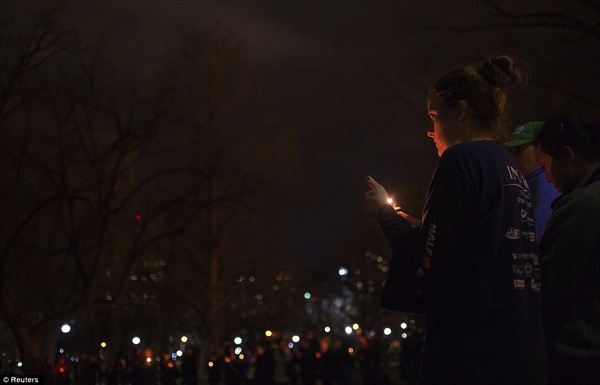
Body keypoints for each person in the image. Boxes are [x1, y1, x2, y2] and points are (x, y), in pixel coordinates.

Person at [364, 55, 547, 384]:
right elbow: (478, 241)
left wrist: (386, 215)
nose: (430, 130)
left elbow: (431, 261)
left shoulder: (459, 160)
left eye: (435, 116)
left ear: (460, 111)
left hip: (473, 352)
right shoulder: (505, 162)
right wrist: (422, 226)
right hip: (519, 345)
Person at [535, 114, 600, 385]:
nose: (548, 178)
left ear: (567, 156)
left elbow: (548, 286)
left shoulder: (581, 208)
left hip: (580, 357)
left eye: (545, 165)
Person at [504, 121, 560, 241]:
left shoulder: (547, 185)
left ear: (540, 149)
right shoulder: (524, 183)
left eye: (520, 149)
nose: (513, 158)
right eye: (511, 151)